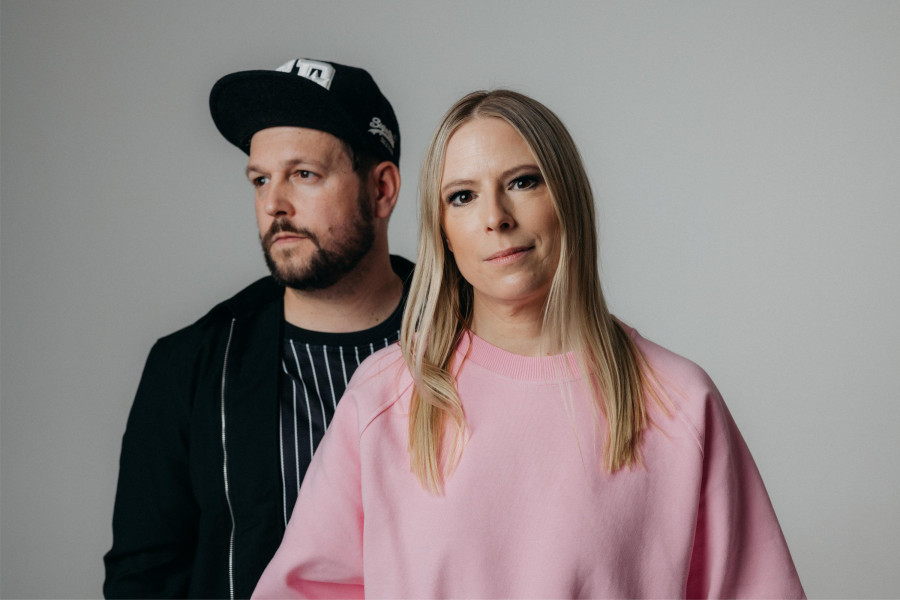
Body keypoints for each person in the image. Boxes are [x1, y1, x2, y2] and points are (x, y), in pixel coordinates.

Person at [251, 90, 805, 599]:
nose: (495, 218)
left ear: (568, 196)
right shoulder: (386, 395)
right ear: (443, 232)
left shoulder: (679, 401)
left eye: (522, 182)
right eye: (463, 196)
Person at [103, 58, 413, 599]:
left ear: (382, 189)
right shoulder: (192, 367)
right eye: (261, 179)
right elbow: (143, 580)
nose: (274, 205)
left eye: (304, 174)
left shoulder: (474, 336)